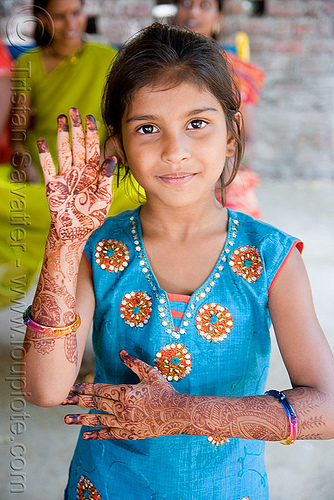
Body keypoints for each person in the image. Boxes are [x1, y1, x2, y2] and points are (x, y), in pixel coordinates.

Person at [21, 23, 334, 500]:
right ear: (118, 146)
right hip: (106, 486)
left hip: (229, 489)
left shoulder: (272, 258)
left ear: (231, 134)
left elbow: (328, 409)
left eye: (197, 123)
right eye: (148, 128)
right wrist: (64, 241)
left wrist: (180, 413)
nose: (174, 151)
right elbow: (45, 389)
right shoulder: (94, 249)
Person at [174, 0, 264, 218]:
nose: (193, 11)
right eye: (186, 3)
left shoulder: (237, 72)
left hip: (223, 174)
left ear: (218, 16)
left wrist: (225, 175)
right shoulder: (154, 71)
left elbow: (247, 138)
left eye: (205, 5)